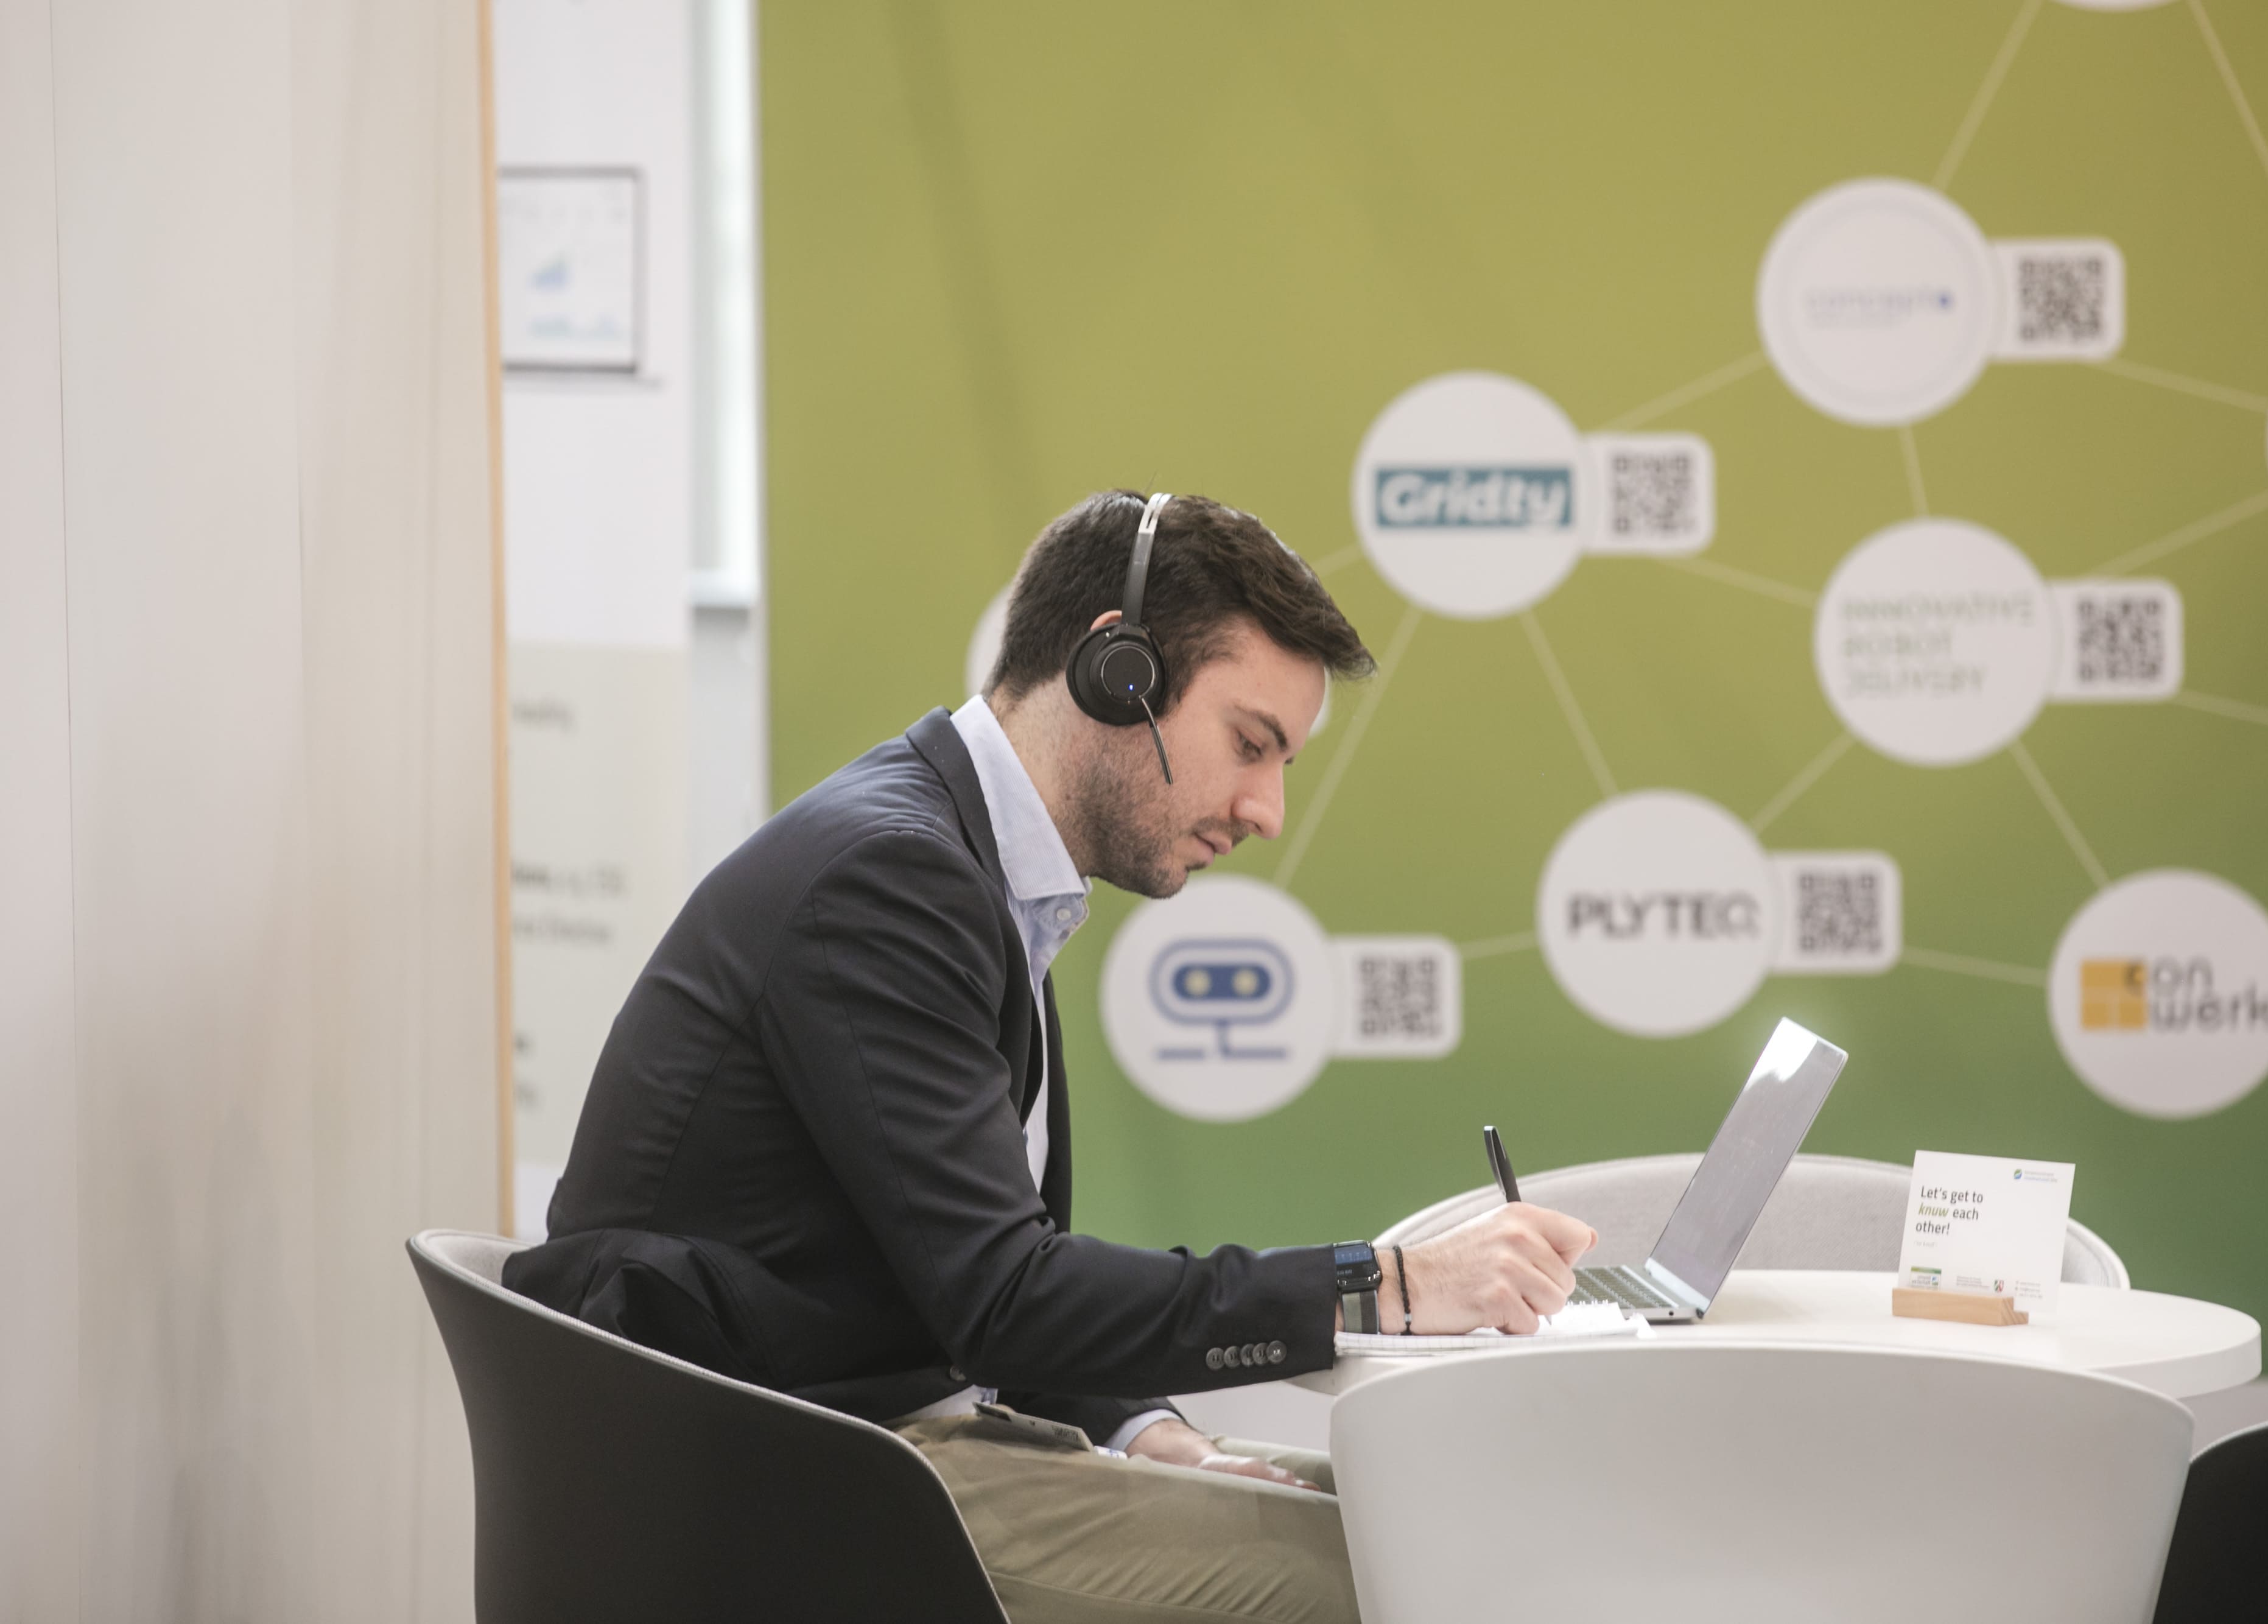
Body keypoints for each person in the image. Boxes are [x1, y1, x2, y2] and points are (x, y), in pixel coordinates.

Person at [507, 490, 1596, 1623]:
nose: (1268, 810)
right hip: (793, 1481)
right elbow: (1003, 1296)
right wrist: (1389, 1286)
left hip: (881, 1434)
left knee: (1435, 1514)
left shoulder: (971, 868)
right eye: (1250, 745)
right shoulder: (889, 879)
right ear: (1117, 672)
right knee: (1401, 1573)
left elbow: (957, 1279)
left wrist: (1148, 1432)